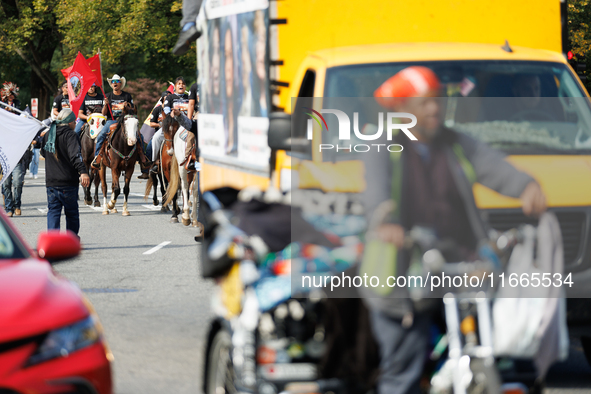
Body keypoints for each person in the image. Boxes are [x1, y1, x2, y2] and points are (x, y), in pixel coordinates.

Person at [361, 66, 547, 394]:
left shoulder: (454, 143)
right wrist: (386, 222)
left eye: (437, 101)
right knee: (403, 375)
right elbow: (377, 194)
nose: (434, 109)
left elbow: (492, 165)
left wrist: (525, 186)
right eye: (423, 103)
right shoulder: (383, 146)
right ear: (402, 109)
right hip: (403, 275)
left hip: (456, 264)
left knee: (490, 354)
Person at [38, 109, 90, 236]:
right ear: (70, 122)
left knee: (53, 212)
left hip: (51, 182)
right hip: (68, 182)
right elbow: (75, 156)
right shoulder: (71, 135)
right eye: (74, 122)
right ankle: (70, 241)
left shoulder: (49, 134)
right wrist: (83, 172)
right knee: (71, 213)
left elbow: (43, 153)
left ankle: (53, 242)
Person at [91, 74, 151, 169]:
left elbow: (132, 109)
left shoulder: (127, 96)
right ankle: (97, 158)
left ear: (120, 84)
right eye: (113, 82)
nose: (115, 83)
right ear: (111, 84)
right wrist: (106, 105)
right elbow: (103, 113)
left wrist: (126, 106)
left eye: (117, 81)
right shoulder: (107, 96)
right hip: (112, 121)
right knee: (101, 135)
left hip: (125, 120)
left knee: (140, 136)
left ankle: (142, 158)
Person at [150, 78, 190, 173]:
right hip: (172, 124)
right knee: (156, 138)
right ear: (175, 86)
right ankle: (155, 161)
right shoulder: (170, 97)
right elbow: (167, 109)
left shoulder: (189, 97)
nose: (181, 85)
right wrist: (171, 113)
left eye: (183, 84)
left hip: (186, 125)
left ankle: (193, 160)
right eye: (179, 84)